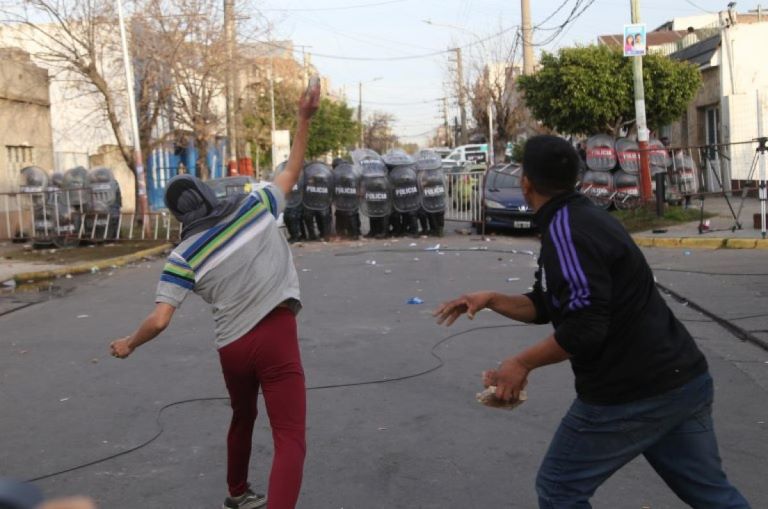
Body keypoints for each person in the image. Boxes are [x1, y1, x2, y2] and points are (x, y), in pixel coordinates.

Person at [434, 135, 750, 509]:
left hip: (632, 393)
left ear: (525, 182)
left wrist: (521, 363)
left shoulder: (568, 229)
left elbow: (585, 327)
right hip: (682, 380)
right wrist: (490, 299)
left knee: (559, 489)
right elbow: (548, 304)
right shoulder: (574, 218)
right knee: (713, 496)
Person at [109, 82, 320, 509]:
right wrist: (303, 119)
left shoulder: (182, 255)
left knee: (243, 415)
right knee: (290, 438)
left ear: (178, 216)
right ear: (208, 193)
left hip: (233, 348)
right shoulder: (255, 205)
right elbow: (292, 170)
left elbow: (160, 319)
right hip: (276, 335)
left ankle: (238, 492)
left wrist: (129, 343)